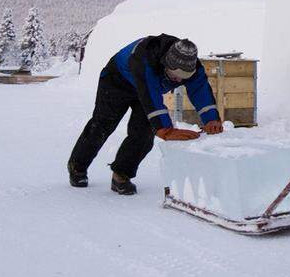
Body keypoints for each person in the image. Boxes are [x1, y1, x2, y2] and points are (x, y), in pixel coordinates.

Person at [67, 35, 223, 194]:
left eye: (183, 78)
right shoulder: (146, 57)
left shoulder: (192, 66)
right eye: (175, 76)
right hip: (117, 80)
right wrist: (165, 129)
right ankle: (77, 167)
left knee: (143, 133)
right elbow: (151, 94)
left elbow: (200, 90)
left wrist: (211, 119)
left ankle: (121, 175)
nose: (177, 81)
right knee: (102, 125)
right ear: (165, 64)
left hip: (147, 88)